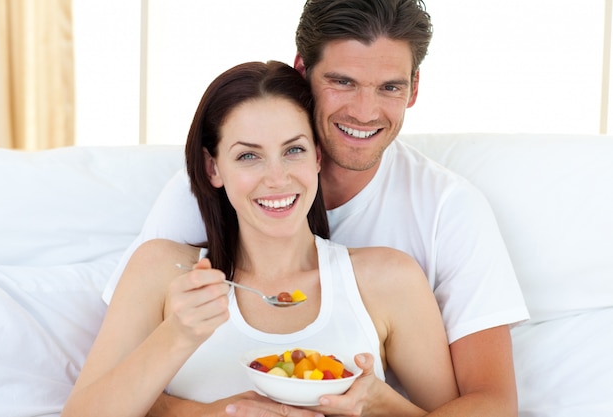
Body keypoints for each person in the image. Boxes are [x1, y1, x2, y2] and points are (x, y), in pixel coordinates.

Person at [103, 1, 529, 416]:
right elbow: (110, 381)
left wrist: (380, 405)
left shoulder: (441, 216)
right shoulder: (193, 204)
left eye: (390, 86)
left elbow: (490, 403)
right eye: (343, 81)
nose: (364, 112)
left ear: (414, 88)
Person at [62, 60, 459, 417]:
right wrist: (181, 344)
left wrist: (383, 405)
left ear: (318, 157)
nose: (277, 178)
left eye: (294, 150)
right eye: (248, 156)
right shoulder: (166, 271)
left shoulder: (389, 279)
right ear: (213, 167)